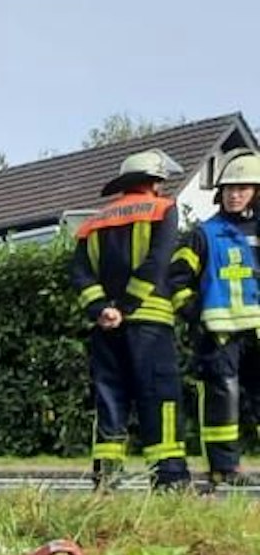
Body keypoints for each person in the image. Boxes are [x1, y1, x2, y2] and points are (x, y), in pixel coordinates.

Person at [68, 149, 192, 492]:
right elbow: (158, 261)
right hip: (150, 324)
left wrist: (102, 310)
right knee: (160, 398)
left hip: (106, 328)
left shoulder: (95, 220)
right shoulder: (163, 209)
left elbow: (79, 273)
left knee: (110, 400)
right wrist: (127, 305)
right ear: (155, 182)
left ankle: (106, 480)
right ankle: (169, 480)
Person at [170, 150, 260, 489]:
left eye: (243, 188)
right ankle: (224, 467)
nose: (235, 195)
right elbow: (176, 281)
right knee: (224, 398)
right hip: (219, 336)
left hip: (256, 332)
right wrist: (196, 314)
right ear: (219, 193)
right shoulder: (203, 234)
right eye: (229, 189)